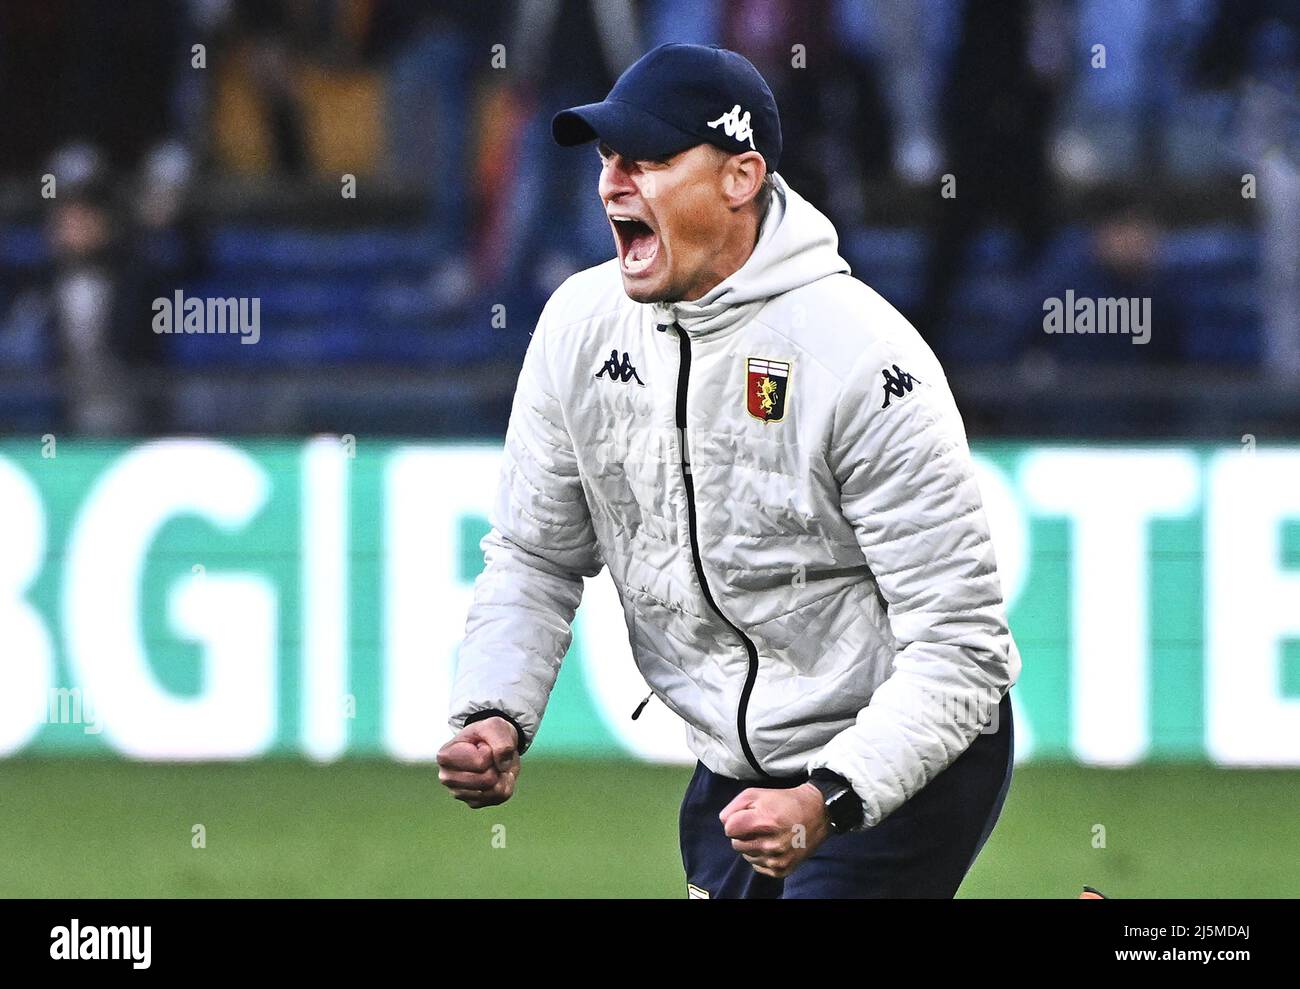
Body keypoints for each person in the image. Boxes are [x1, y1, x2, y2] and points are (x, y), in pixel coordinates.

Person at [437, 42, 1021, 899]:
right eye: (608, 157)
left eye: (650, 159)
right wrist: (493, 706)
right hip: (735, 773)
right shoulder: (577, 328)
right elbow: (535, 554)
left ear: (742, 178)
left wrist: (827, 798)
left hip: (902, 768)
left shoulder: (864, 359)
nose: (612, 182)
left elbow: (963, 650)